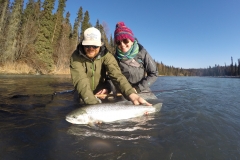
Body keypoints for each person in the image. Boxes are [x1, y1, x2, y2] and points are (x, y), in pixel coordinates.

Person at [70, 27, 151, 105]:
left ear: (100, 45)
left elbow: (116, 75)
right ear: (82, 44)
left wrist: (131, 94)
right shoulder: (75, 57)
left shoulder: (107, 56)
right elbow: (80, 80)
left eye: (95, 46)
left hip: (101, 93)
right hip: (82, 93)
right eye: (87, 45)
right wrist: (91, 102)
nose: (91, 48)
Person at [114, 22, 158, 93]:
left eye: (125, 41)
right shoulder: (115, 58)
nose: (122, 45)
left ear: (132, 41)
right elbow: (112, 77)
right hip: (123, 92)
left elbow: (154, 73)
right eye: (118, 42)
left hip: (141, 90)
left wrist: (138, 88)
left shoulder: (142, 53)